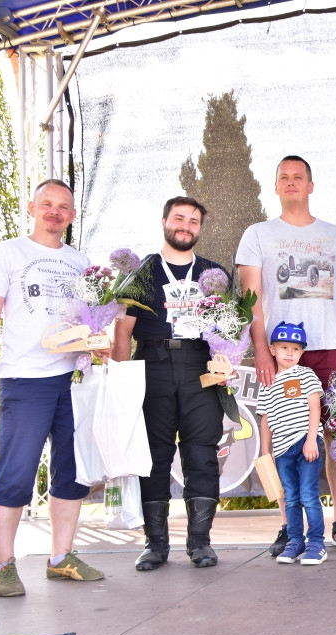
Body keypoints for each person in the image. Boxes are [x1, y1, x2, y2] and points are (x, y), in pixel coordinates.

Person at [0, 179, 104, 597]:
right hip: (25, 379)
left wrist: (98, 345)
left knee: (73, 472)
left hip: (74, 378)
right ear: (32, 207)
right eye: (47, 204)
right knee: (16, 473)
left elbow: (90, 321)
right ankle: (3, 566)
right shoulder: (8, 252)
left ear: (72, 216)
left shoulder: (80, 262)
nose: (54, 212)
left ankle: (61, 558)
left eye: (63, 207)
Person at [237, 155, 336, 554]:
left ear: (311, 186)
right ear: (275, 186)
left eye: (299, 177)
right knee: (284, 437)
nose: (291, 182)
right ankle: (288, 524)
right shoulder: (257, 235)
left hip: (332, 348)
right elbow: (251, 299)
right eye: (284, 177)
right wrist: (261, 351)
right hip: (281, 353)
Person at [112, 196, 227, 570]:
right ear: (164, 221)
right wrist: (118, 379)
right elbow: (123, 330)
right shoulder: (142, 272)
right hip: (152, 365)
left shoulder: (213, 273)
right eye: (179, 218)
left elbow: (230, 328)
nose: (186, 226)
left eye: (194, 221)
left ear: (199, 229)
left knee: (202, 454)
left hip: (200, 367)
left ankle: (200, 543)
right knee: (153, 456)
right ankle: (156, 545)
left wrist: (228, 357)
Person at [257, 321, 328, 564]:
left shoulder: (305, 374)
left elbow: (315, 407)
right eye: (284, 347)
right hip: (282, 450)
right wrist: (265, 452)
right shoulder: (267, 382)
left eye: (296, 349)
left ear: (302, 352)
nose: (290, 353)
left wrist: (312, 439)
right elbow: (265, 419)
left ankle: (316, 544)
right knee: (291, 498)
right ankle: (295, 542)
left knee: (308, 494)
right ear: (272, 349)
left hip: (306, 443)